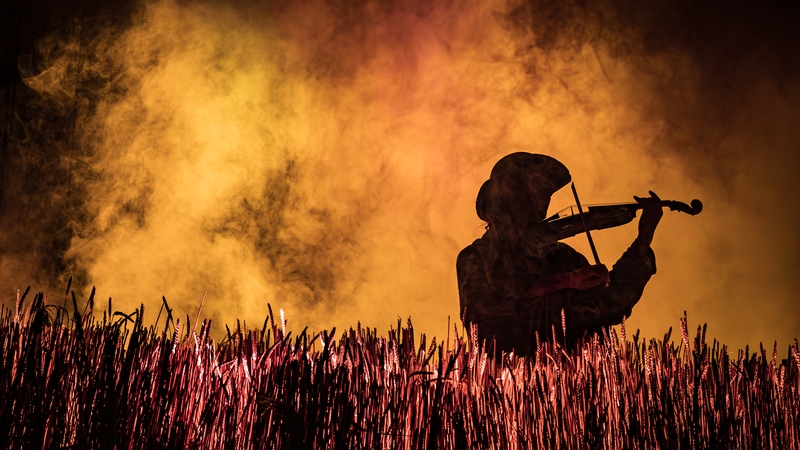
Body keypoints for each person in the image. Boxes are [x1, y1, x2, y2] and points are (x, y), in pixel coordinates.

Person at [456, 152, 663, 355]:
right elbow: (489, 296)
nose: (545, 200)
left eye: (548, 194)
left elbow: (606, 308)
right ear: (509, 186)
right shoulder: (476, 256)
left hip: (568, 382)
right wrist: (565, 280)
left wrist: (643, 240)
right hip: (505, 384)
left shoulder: (565, 258)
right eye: (538, 188)